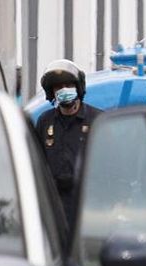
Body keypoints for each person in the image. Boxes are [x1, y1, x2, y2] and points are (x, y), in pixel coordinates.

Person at [35, 59, 101, 227]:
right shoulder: (45, 121)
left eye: (68, 85)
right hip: (54, 208)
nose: (63, 90)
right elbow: (37, 163)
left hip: (88, 207)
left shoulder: (97, 120)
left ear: (78, 87)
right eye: (58, 87)